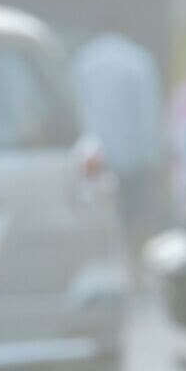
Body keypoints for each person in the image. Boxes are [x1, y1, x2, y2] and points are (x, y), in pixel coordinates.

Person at [72, 29, 168, 259]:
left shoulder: (83, 59)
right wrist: (155, 158)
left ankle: (106, 270)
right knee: (136, 218)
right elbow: (149, 114)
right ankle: (134, 274)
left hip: (94, 158)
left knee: (99, 220)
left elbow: (75, 107)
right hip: (133, 157)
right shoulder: (138, 60)